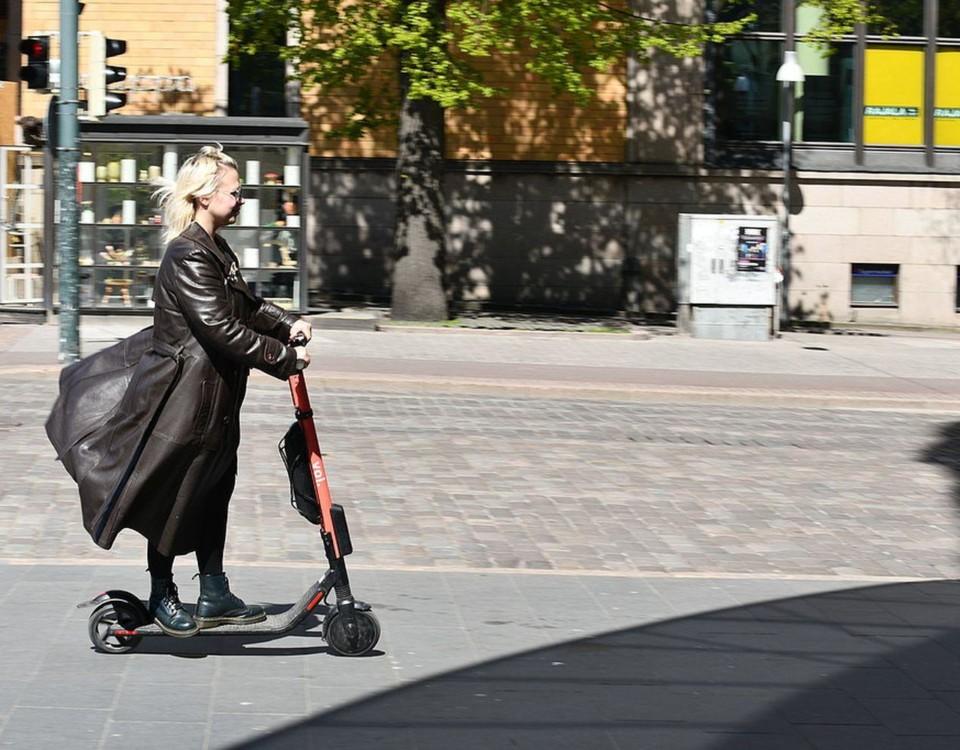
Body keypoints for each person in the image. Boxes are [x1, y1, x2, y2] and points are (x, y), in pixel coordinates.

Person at [46, 145, 312, 638]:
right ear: (205, 196)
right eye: (236, 192)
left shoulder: (215, 250)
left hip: (215, 400)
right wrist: (283, 358)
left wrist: (287, 323)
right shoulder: (188, 253)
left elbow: (246, 307)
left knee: (214, 491)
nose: (242, 200)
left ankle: (213, 591)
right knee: (176, 493)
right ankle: (162, 592)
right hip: (181, 402)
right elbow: (218, 327)